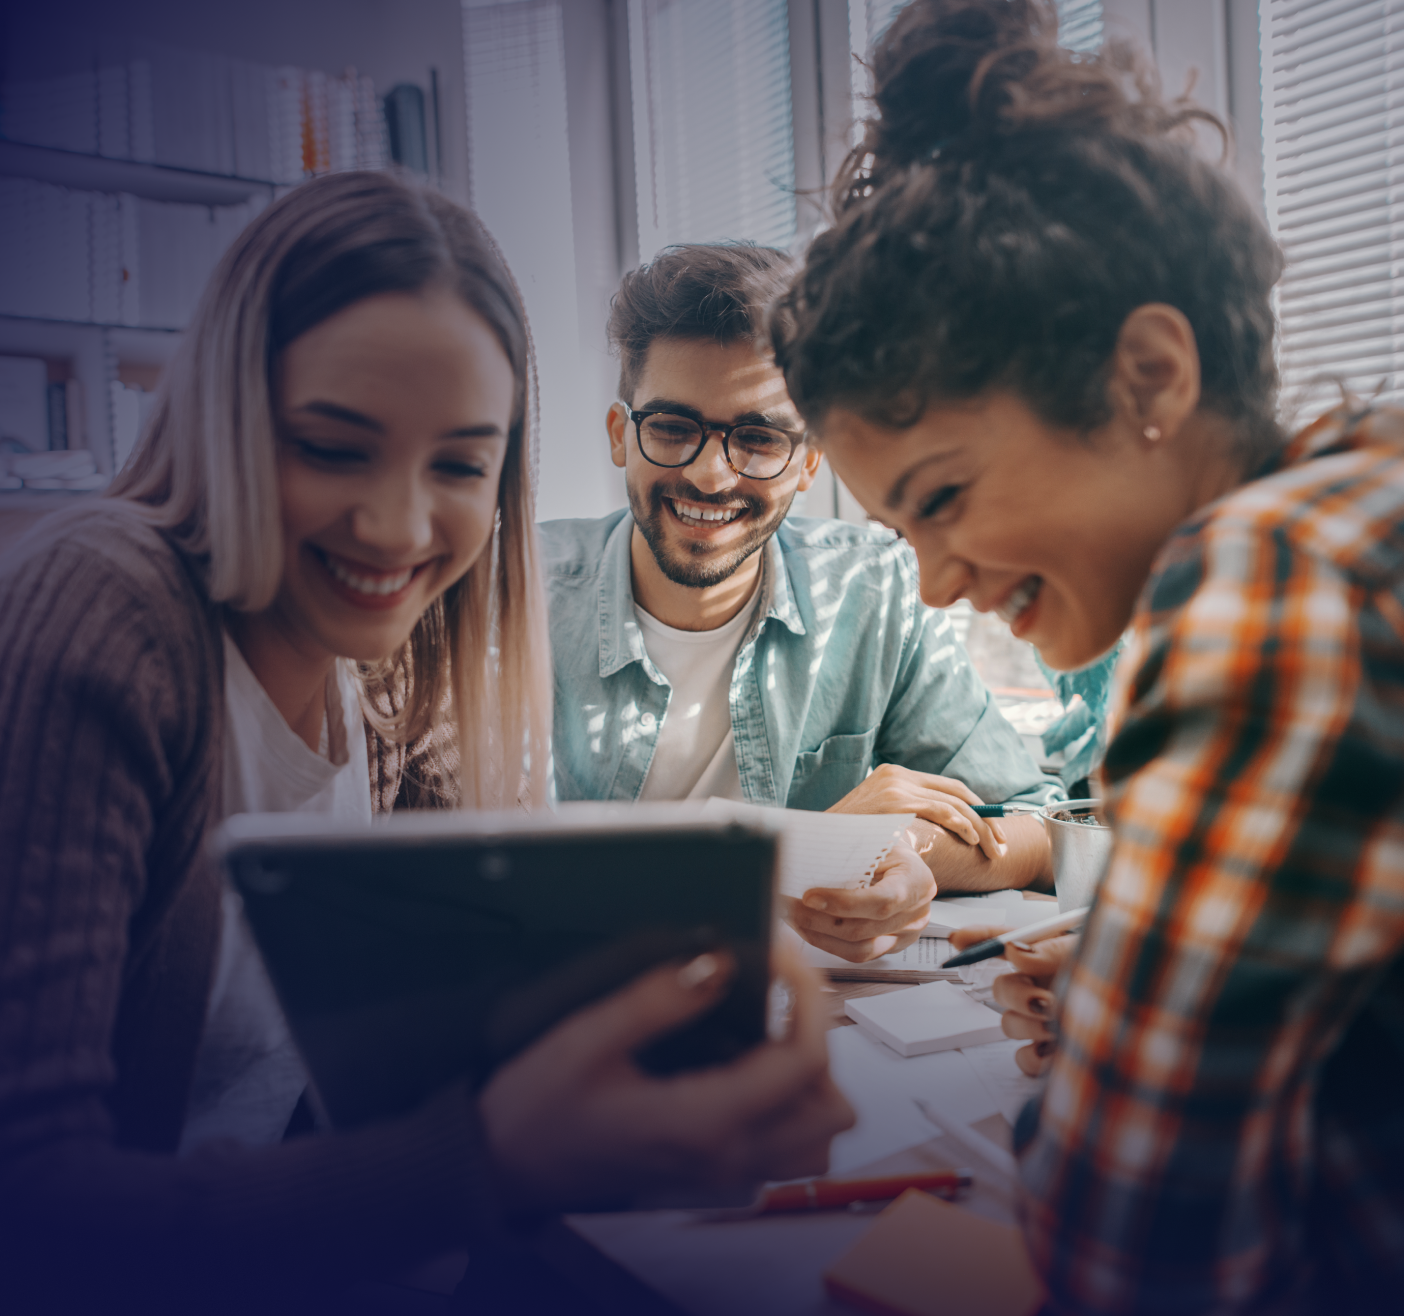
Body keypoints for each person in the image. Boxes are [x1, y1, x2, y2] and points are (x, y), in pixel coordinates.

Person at [0, 171, 853, 1313]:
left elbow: (430, 1048)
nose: (401, 526)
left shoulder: (401, 652)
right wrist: (488, 1158)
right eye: (334, 447)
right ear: (228, 418)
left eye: (459, 463)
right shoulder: (108, 603)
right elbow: (35, 1217)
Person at [770, 0, 1403, 1310]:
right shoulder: (1366, 502)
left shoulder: (1267, 574)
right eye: (898, 526)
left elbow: (1125, 1255)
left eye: (940, 498)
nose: (935, 580)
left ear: (1150, 377)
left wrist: (1110, 1056)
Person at [542, 243, 1062, 962]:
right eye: (671, 428)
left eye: (756, 438)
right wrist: (806, 850)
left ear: (809, 460)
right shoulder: (516, 599)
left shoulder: (873, 589)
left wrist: (899, 852)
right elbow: (488, 880)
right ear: (619, 437)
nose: (711, 474)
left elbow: (1032, 826)